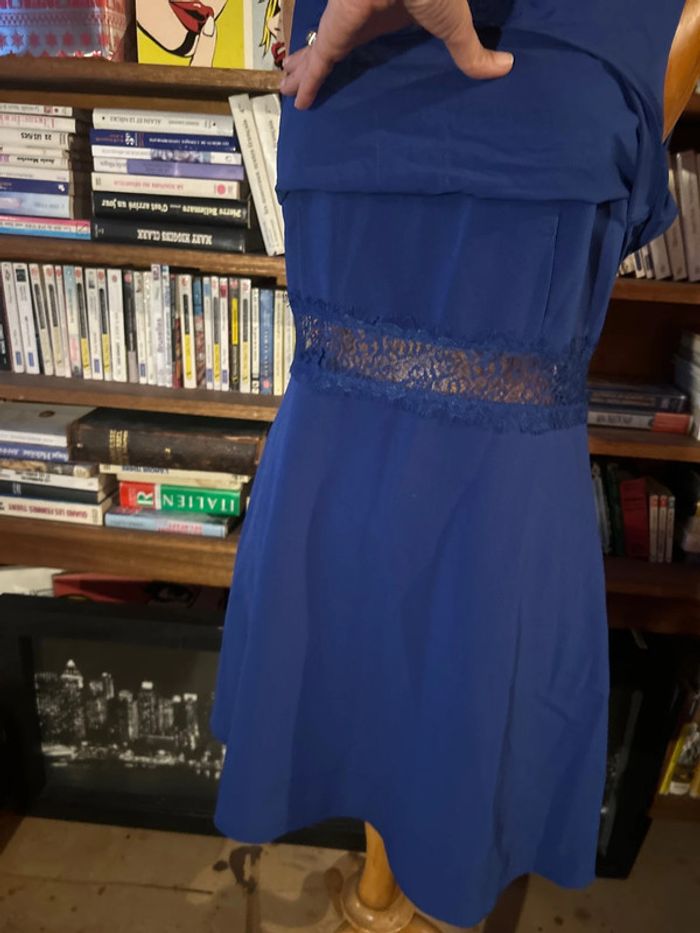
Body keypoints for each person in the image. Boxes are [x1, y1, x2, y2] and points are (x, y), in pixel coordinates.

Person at [211, 1, 696, 926]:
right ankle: (391, 886)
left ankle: (398, 892)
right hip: (361, 436)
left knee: (438, 701)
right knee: (417, 676)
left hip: (438, 77)